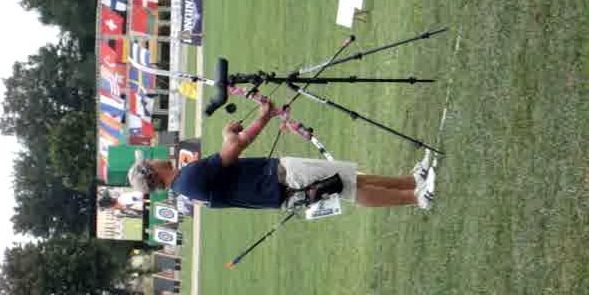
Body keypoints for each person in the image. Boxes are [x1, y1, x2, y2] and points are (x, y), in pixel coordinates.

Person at [127, 101, 436, 210]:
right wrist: (261, 118)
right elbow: (234, 148)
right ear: (153, 173)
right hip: (283, 181)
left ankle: (410, 180)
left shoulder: (185, 184)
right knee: (351, 189)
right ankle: (415, 197)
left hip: (281, 183)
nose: (155, 157)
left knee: (352, 178)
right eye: (150, 161)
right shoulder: (189, 178)